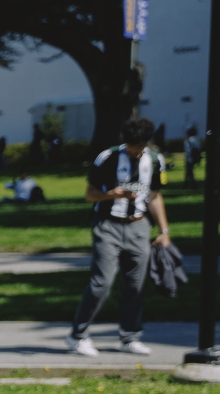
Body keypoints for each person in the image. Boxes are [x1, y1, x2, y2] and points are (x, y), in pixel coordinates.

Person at [68, 117, 172, 357]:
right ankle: (78, 335)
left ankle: (130, 336)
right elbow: (90, 194)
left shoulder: (155, 160)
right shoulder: (107, 158)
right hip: (108, 224)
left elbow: (155, 196)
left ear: (147, 143)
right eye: (132, 147)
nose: (135, 152)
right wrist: (111, 195)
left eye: (139, 147)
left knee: (135, 285)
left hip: (138, 225)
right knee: (101, 282)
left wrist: (163, 231)